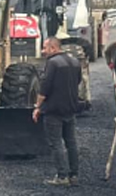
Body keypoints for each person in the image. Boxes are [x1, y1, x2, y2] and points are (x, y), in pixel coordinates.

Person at [34, 37, 83, 186]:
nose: (43, 51)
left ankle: (62, 176)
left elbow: (45, 87)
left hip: (54, 109)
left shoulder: (53, 63)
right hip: (70, 108)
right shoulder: (75, 62)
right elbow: (78, 81)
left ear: (53, 48)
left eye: (45, 48)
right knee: (71, 142)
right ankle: (74, 175)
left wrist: (37, 107)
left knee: (56, 143)